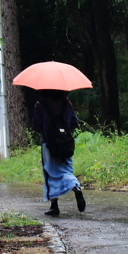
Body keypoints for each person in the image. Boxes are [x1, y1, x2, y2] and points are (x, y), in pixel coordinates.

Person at [32, 89, 86, 217]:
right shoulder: (67, 103)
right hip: (66, 143)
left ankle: (54, 206)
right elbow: (74, 122)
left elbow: (37, 126)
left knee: (50, 173)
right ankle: (75, 186)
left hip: (48, 143)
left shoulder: (41, 104)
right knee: (66, 170)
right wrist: (64, 133)